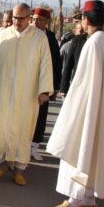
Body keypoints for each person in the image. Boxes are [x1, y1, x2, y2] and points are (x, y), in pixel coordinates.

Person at [48, 0, 104, 207]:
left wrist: (71, 108)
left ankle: (76, 199)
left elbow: (83, 81)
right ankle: (88, 197)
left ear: (87, 19)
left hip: (88, 107)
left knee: (80, 148)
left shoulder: (93, 43)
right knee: (93, 151)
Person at [0, 3, 53, 186]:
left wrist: (45, 90)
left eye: (21, 18)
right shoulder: (2, 36)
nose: (17, 21)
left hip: (27, 94)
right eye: (14, 17)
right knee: (0, 127)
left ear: (29, 18)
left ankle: (19, 170)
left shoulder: (39, 38)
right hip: (2, 92)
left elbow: (46, 64)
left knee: (23, 130)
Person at [30, 8, 62, 160]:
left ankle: (35, 147)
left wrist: (53, 87)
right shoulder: (27, 35)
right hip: (27, 83)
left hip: (43, 85)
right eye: (34, 19)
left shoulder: (50, 38)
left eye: (40, 20)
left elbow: (56, 64)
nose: (36, 22)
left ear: (47, 22)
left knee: (41, 116)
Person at [60, 22, 87, 95]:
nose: (82, 33)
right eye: (80, 30)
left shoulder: (89, 42)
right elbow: (67, 66)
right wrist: (63, 88)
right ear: (75, 31)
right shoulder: (68, 45)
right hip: (75, 81)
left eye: (84, 30)